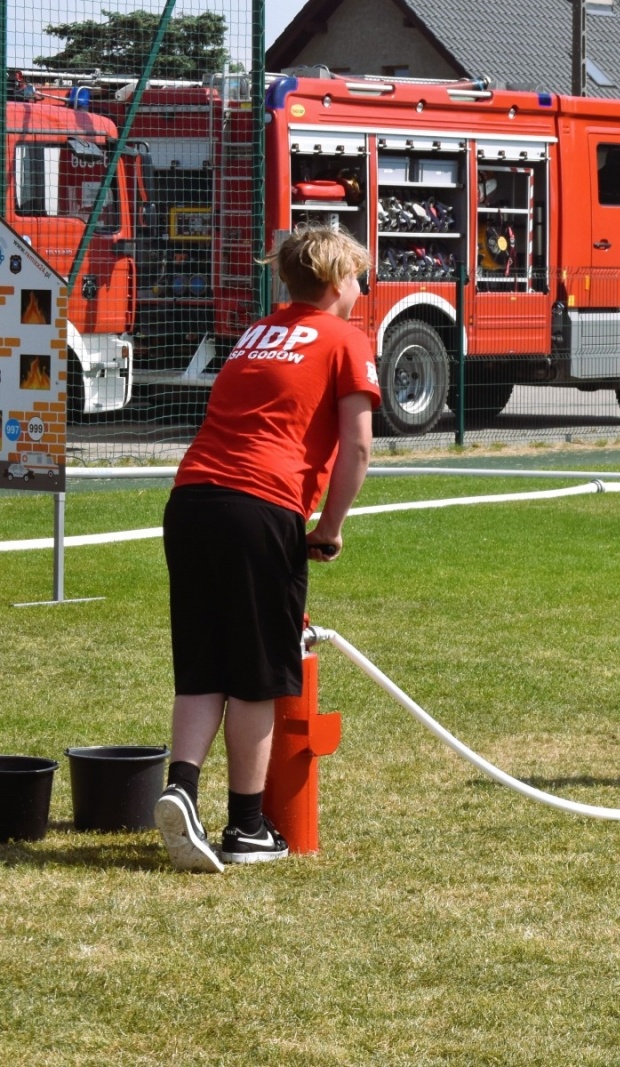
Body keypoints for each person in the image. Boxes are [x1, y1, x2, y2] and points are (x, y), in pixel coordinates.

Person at [153, 226, 379, 873]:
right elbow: (359, 446)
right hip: (260, 507)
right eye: (359, 279)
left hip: (191, 501)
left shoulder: (257, 332)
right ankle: (248, 827)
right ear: (338, 282)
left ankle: (181, 789)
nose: (362, 291)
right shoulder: (344, 337)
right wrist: (330, 529)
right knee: (256, 674)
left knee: (204, 664)